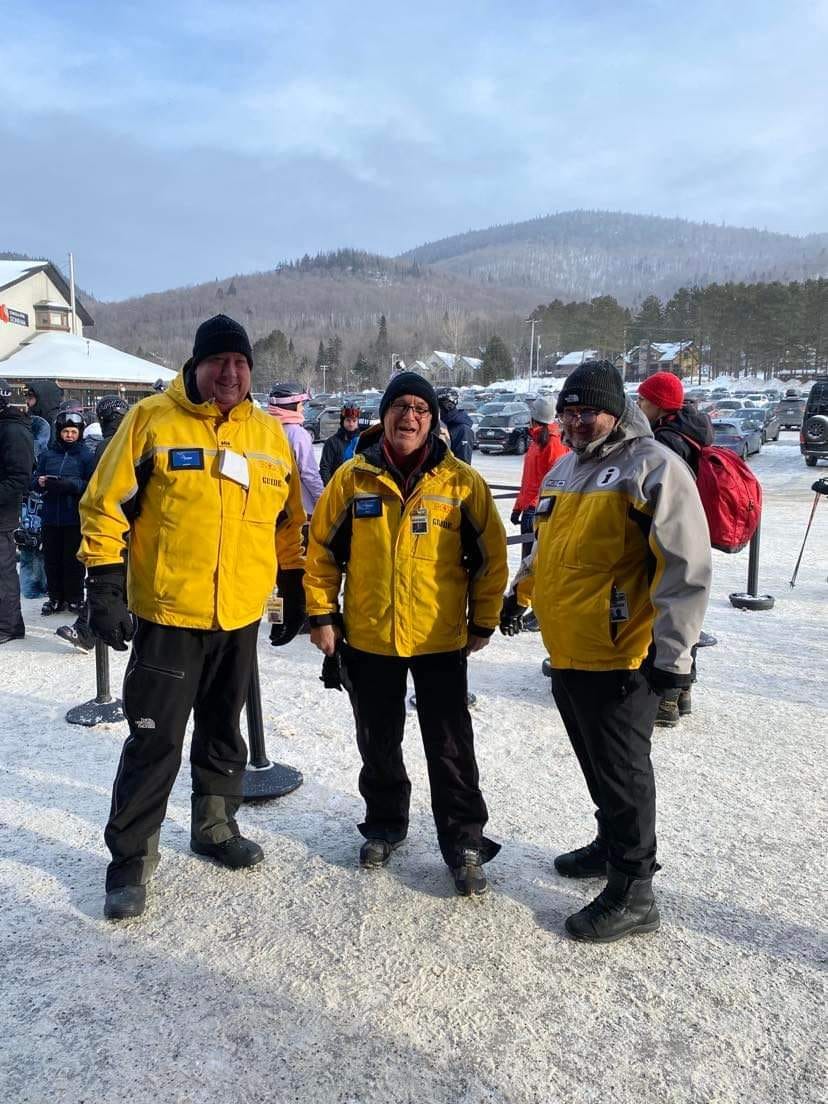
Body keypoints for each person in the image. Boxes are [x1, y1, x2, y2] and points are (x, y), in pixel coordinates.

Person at [79, 314, 306, 921]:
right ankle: (130, 860)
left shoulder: (268, 434)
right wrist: (104, 581)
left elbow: (287, 522)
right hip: (168, 615)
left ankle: (214, 827)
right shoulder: (152, 420)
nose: (230, 373)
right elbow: (104, 503)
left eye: (240, 363)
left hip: (237, 618)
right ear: (196, 365)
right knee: (154, 739)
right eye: (218, 362)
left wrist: (293, 586)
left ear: (251, 370)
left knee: (224, 732)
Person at [500, 360, 711, 943]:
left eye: (584, 410)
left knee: (623, 772)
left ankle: (634, 889)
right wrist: (519, 594)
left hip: (622, 655)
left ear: (616, 411)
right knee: (596, 765)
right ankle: (609, 842)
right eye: (566, 411)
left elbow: (684, 569)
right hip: (568, 648)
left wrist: (673, 658)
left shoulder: (653, 469)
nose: (573, 421)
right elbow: (544, 549)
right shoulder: (566, 469)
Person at [305, 371, 507, 896]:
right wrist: (322, 615)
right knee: (378, 740)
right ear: (384, 413)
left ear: (433, 419)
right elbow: (322, 553)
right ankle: (384, 824)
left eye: (421, 408)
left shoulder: (462, 482)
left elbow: (491, 558)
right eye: (400, 406)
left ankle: (464, 840)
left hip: (440, 638)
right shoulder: (352, 478)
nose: (409, 416)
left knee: (450, 745)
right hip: (370, 636)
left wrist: (483, 620)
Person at [636, 371, 714, 725]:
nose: (639, 405)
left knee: (664, 612)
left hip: (669, 532)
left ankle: (666, 700)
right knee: (684, 611)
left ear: (660, 404)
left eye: (644, 400)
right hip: (692, 530)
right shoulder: (693, 430)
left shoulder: (666, 442)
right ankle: (684, 694)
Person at [57, 394, 130, 651]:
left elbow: (100, 491)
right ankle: (87, 630)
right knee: (112, 582)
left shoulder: (109, 445)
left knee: (107, 582)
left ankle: (88, 631)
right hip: (129, 523)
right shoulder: (132, 440)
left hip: (114, 524)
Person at [34, 409, 96, 615]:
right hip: (51, 515)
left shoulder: (86, 456)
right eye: (65, 432)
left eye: (73, 432)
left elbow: (92, 484)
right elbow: (33, 480)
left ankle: (75, 598)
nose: (69, 435)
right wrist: (40, 482)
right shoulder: (48, 455)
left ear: (79, 433)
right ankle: (55, 598)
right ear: (58, 432)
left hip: (74, 516)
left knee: (73, 560)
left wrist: (72, 485)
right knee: (52, 559)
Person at [511, 395, 569, 563]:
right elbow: (529, 481)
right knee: (527, 562)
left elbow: (555, 483)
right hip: (530, 508)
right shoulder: (537, 440)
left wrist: (534, 507)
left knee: (536, 562)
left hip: (541, 512)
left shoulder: (553, 443)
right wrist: (518, 507)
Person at [0, 380, 35, 644]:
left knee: (3, 571)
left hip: (3, 513)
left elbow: (19, 477)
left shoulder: (13, 430)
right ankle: (9, 622)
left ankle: (9, 626)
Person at [267, 381, 324, 515]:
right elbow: (309, 474)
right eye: (300, 405)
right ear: (291, 406)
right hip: (299, 510)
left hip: (272, 507)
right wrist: (323, 501)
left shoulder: (265, 430)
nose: (303, 409)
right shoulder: (298, 434)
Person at [319, 401, 360, 484]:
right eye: (348, 420)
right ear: (342, 421)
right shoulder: (332, 442)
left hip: (359, 491)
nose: (351, 424)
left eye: (354, 421)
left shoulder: (363, 441)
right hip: (338, 490)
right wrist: (331, 490)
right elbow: (325, 469)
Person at [436, 387, 474, 463]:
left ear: (448, 406)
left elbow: (463, 462)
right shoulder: (439, 424)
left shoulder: (462, 430)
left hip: (451, 472)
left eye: (438, 406)